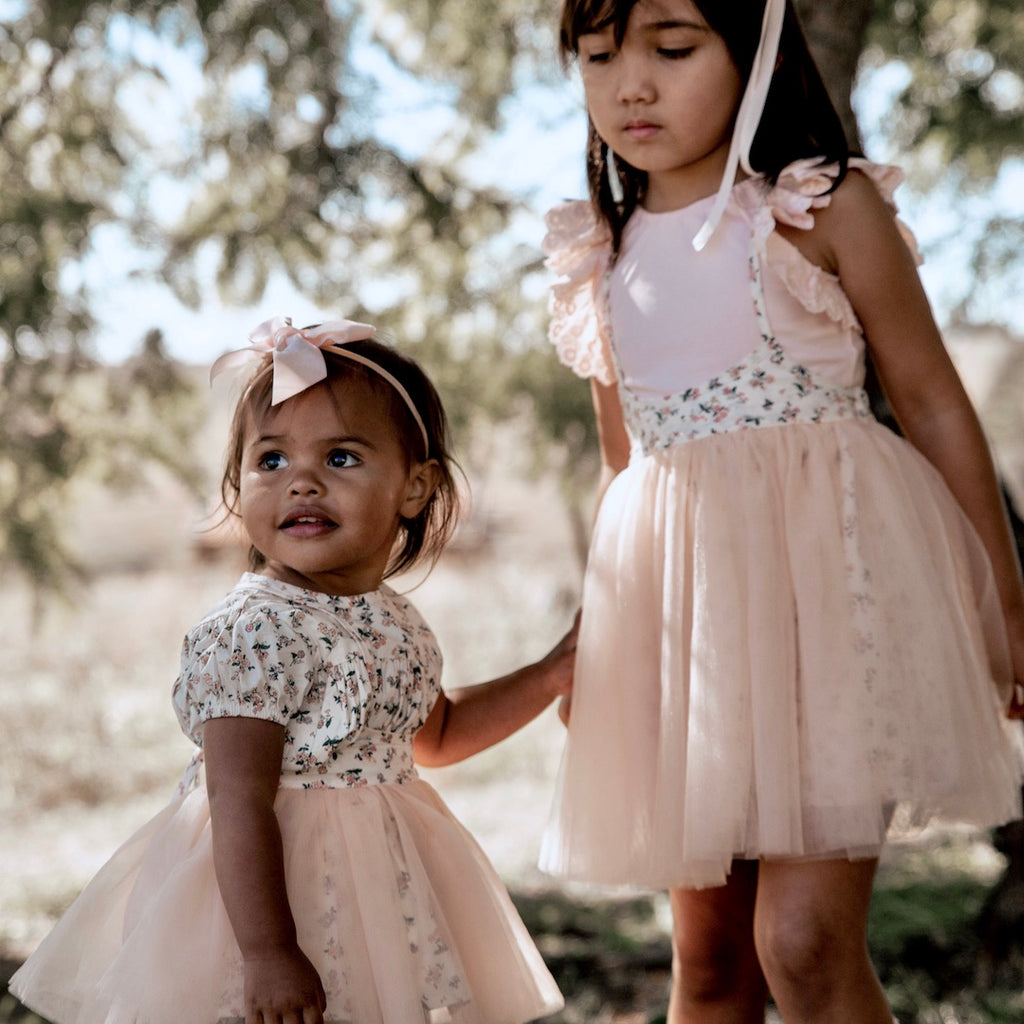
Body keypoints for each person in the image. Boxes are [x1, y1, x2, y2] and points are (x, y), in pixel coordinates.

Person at [538, 1, 1024, 1022]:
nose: (630, 84)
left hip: (835, 604)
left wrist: (1003, 599)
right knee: (711, 963)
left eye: (671, 49)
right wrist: (600, 638)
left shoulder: (817, 206)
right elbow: (623, 466)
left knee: (799, 945)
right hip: (692, 634)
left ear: (754, 50)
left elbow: (932, 402)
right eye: (596, 57)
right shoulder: (600, 252)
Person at [10, 315, 572, 1024]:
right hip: (265, 907)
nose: (301, 482)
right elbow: (236, 799)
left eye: (340, 458)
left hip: (376, 891)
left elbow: (440, 734)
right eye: (270, 461)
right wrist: (270, 953)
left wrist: (549, 674)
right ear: (237, 489)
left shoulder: (392, 618)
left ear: (415, 487)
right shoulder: (255, 630)